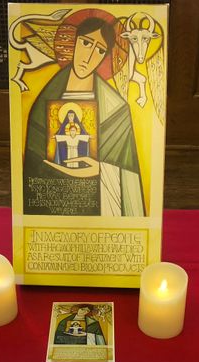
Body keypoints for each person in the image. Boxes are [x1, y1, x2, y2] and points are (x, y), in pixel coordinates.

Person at [23, 15, 145, 217]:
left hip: (97, 206)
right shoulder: (43, 102)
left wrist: (99, 170)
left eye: (99, 50)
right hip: (53, 203)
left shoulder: (116, 109)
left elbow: (128, 174)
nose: (89, 57)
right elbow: (33, 167)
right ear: (74, 42)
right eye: (86, 43)